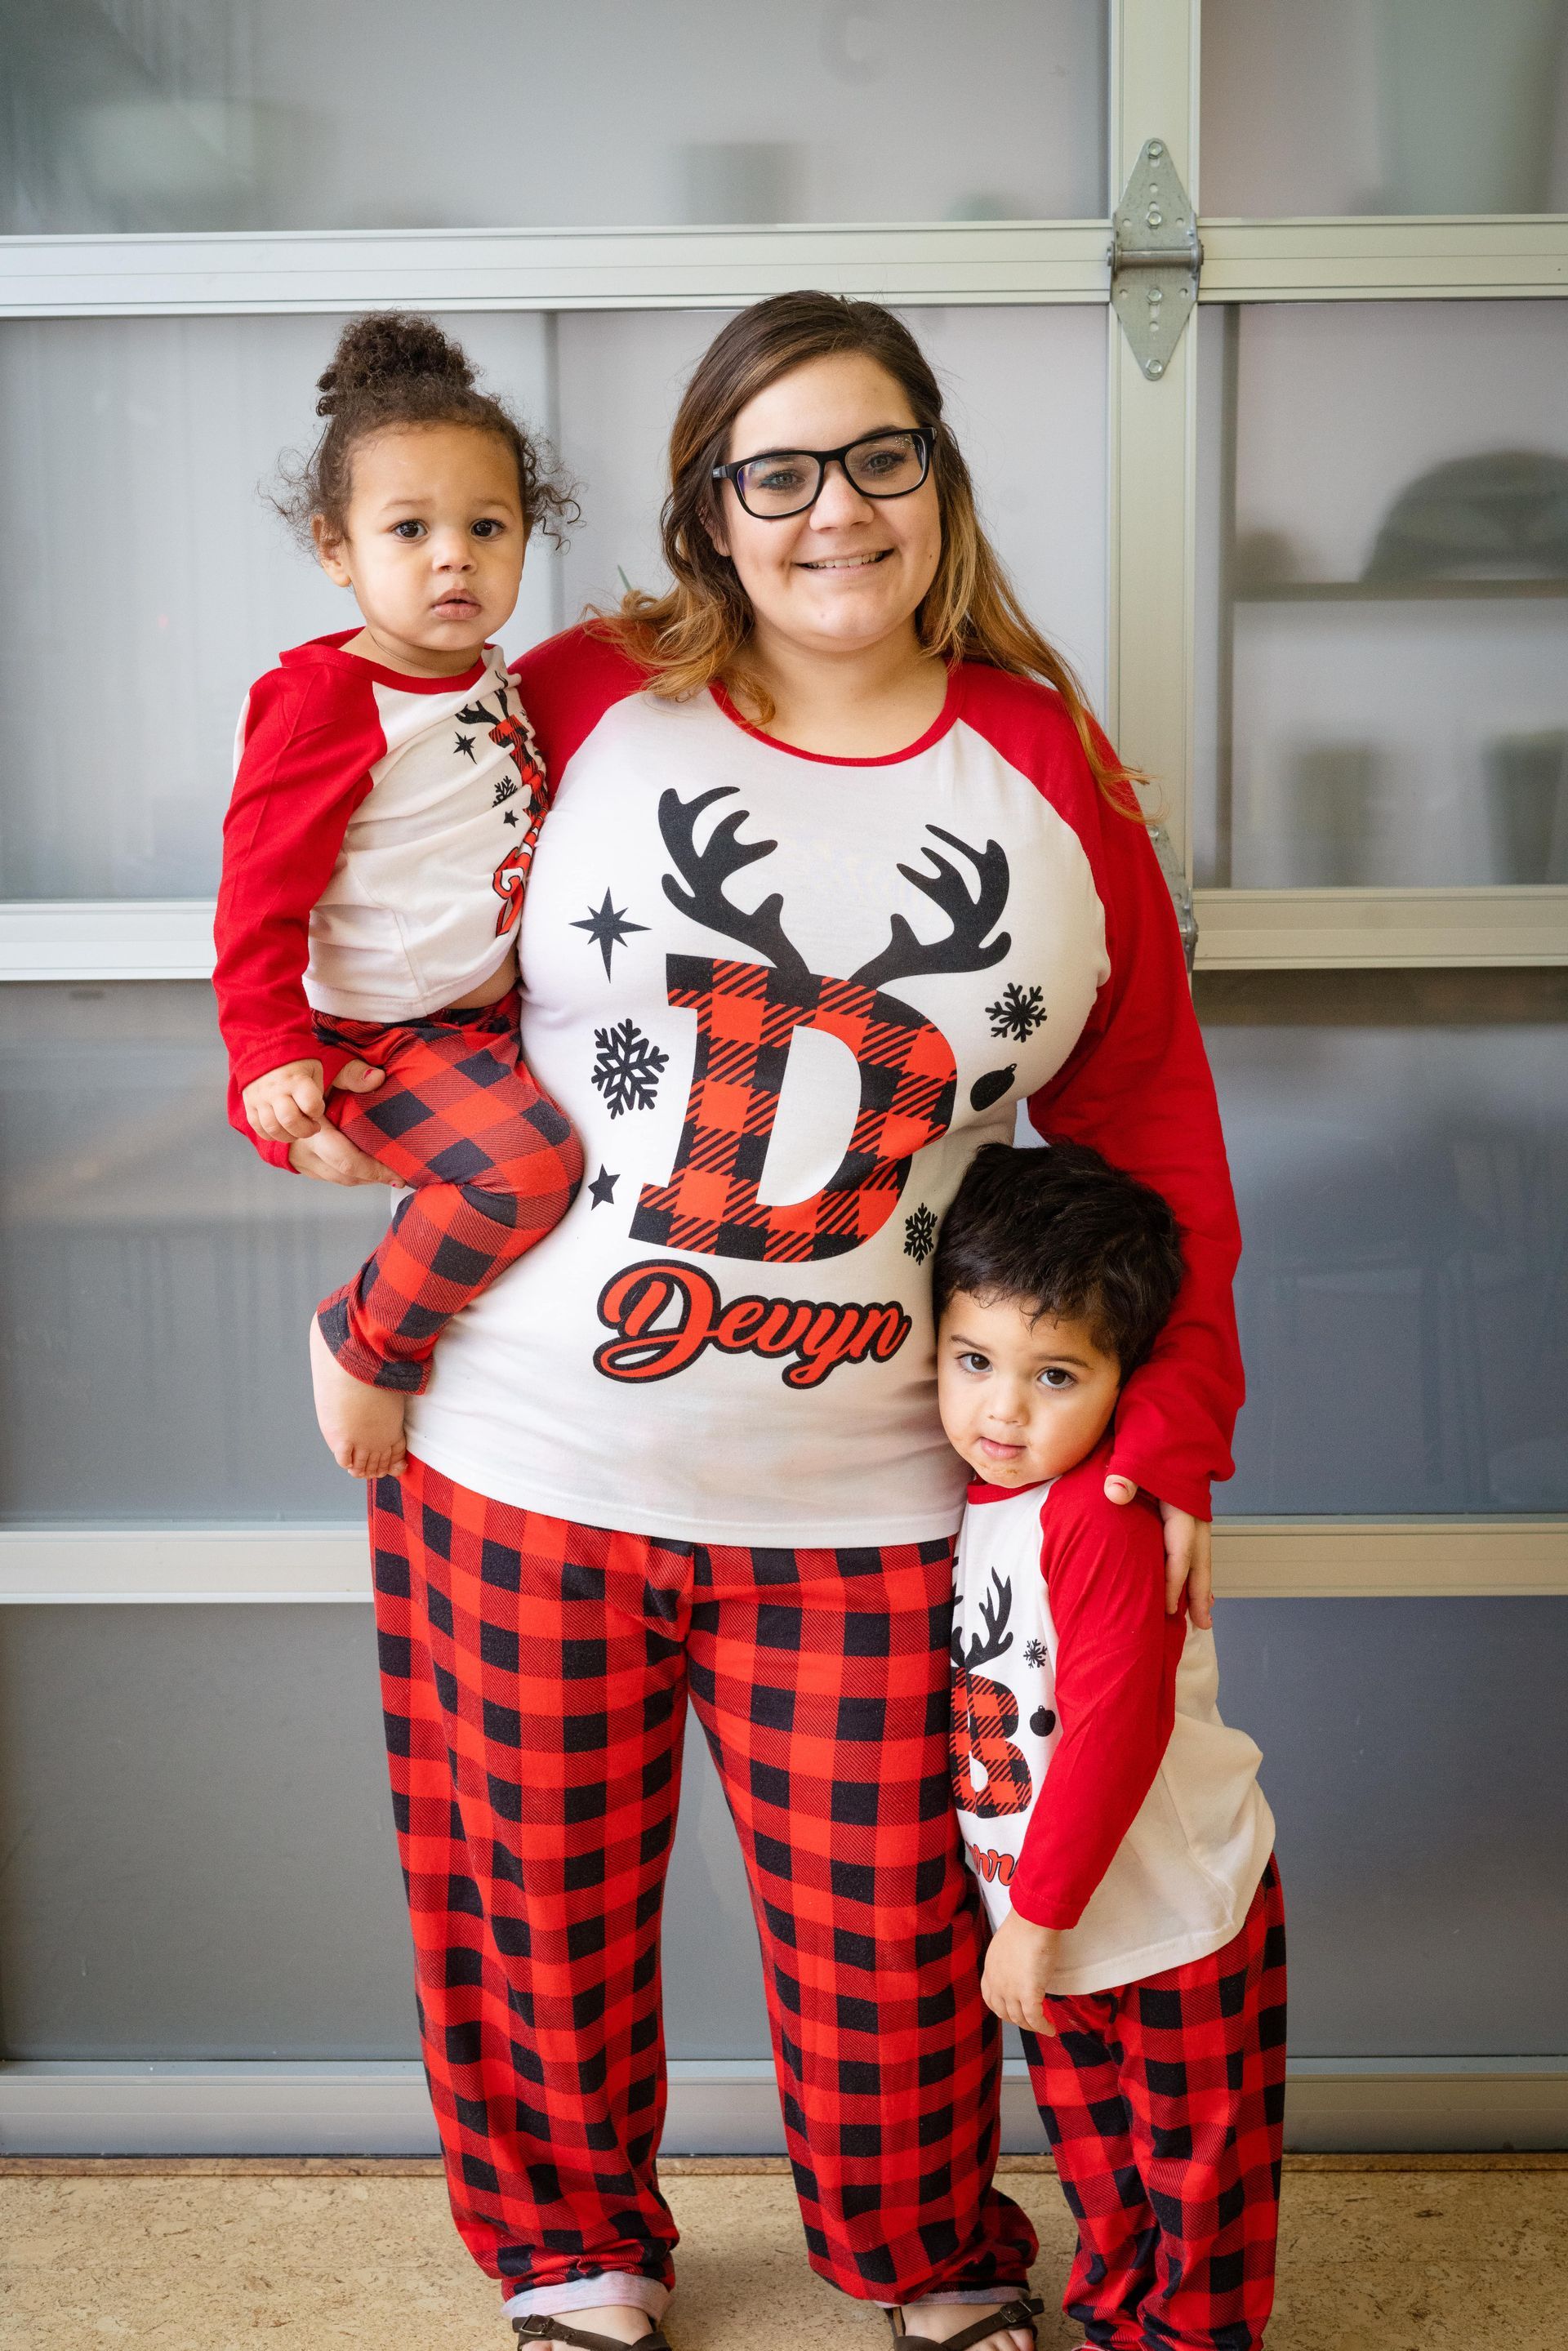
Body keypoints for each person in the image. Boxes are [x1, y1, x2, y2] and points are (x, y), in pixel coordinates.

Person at [284, 292, 1245, 2351]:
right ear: (709, 510)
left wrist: (1170, 1435)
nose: (835, 511)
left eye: (879, 458)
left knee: (890, 1946)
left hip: (876, 1499)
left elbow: (1153, 1127)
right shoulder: (570, 697)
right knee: (527, 1912)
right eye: (777, 471)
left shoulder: (1050, 764)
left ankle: (923, 2250)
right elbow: (351, 895)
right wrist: (335, 1172)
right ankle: (569, 2252)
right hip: (520, 1459)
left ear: (937, 478)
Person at [213, 314, 583, 1480]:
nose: (453, 559)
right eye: (409, 530)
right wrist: (269, 1056)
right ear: (337, 550)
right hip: (379, 1037)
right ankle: (368, 1340)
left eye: (487, 527)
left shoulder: (488, 679)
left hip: (481, 1018)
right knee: (526, 1172)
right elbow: (256, 898)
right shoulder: (327, 700)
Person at [937, 1140, 1282, 2351]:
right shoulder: (975, 1497)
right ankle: (1118, 2324)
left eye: (1055, 1376)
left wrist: (1034, 1917)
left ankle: (1188, 2338)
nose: (1003, 1410)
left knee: (1193, 2168)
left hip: (1170, 1915)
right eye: (974, 1360)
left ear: (1128, 1379)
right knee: (1101, 2160)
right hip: (1057, 1920)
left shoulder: (1103, 1513)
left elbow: (1115, 1729)